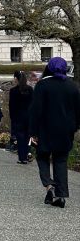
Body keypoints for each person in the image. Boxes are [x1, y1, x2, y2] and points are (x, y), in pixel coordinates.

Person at [28, 56, 80, 208]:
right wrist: (75, 127)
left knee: (42, 156)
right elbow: (78, 111)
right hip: (65, 131)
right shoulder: (72, 86)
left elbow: (35, 110)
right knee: (61, 160)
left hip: (45, 129)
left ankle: (49, 186)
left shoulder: (43, 85)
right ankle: (61, 195)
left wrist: (33, 131)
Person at [8, 70, 33, 164]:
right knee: (27, 136)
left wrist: (12, 117)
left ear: (16, 79)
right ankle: (26, 155)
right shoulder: (30, 90)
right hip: (29, 116)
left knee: (20, 137)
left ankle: (22, 157)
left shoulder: (13, 91)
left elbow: (11, 106)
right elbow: (33, 104)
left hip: (18, 116)